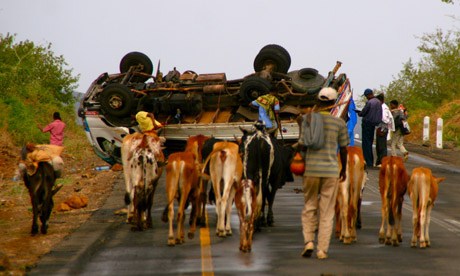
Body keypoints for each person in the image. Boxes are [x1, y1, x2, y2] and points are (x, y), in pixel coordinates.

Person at [300, 87, 349, 260]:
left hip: (311, 170)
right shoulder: (339, 123)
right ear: (334, 103)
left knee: (309, 207)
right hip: (330, 171)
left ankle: (308, 242)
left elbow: (302, 145)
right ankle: (322, 250)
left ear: (318, 101)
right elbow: (343, 149)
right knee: (327, 211)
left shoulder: (308, 119)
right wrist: (343, 169)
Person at [357, 88, 382, 169]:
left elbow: (363, 113)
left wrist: (359, 113)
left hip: (367, 124)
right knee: (370, 143)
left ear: (368, 95)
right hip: (373, 125)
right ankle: (370, 161)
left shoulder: (369, 102)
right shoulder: (378, 102)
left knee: (366, 144)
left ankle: (368, 162)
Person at [374, 93, 394, 167]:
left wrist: (380, 127)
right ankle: (379, 161)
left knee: (382, 146)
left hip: (383, 128)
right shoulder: (382, 107)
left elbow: (385, 119)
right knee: (379, 146)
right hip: (382, 127)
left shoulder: (383, 108)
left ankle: (383, 162)